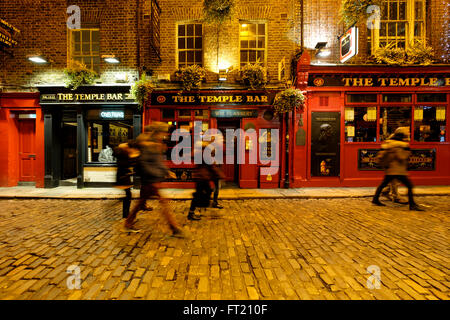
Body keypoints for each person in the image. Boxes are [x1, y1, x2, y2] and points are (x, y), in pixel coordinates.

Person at [124, 122, 182, 235]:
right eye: (163, 132)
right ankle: (174, 228)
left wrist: (167, 171)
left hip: (151, 180)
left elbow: (157, 162)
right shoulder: (147, 144)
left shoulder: (155, 143)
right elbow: (144, 163)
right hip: (150, 180)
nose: (165, 135)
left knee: (141, 203)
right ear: (158, 132)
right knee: (164, 203)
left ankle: (128, 223)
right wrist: (155, 175)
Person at [372, 127, 424, 211]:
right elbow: (402, 157)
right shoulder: (402, 145)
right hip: (398, 170)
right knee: (409, 186)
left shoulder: (388, 143)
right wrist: (408, 151)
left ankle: (375, 199)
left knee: (383, 184)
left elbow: (381, 155)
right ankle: (412, 204)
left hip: (390, 169)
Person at [113, 140, 140, 218]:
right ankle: (126, 215)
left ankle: (126, 214)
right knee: (128, 195)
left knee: (128, 195)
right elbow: (115, 152)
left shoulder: (126, 153)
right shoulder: (122, 153)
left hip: (125, 176)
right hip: (122, 177)